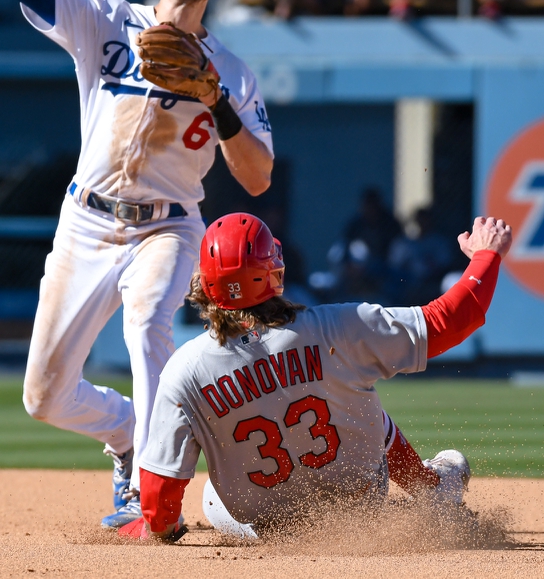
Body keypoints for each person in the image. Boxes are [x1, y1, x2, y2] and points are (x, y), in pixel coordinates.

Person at [0, 0, 275, 529]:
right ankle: (126, 433)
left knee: (146, 323)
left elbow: (256, 176)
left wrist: (216, 100)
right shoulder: (106, 20)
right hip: (86, 223)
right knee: (44, 397)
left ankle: (153, 492)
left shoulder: (232, 72)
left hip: (168, 228)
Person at [117, 212, 512, 541]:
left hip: (260, 527)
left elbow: (158, 505)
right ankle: (432, 491)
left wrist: (164, 529)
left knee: (211, 488)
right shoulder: (338, 326)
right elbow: (453, 320)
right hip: (357, 507)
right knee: (363, 407)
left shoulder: (183, 370)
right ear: (273, 269)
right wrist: (487, 255)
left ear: (204, 284)